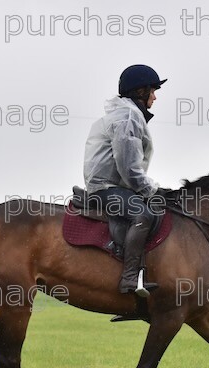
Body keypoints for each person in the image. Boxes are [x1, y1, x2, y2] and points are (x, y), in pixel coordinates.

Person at [83, 64, 167, 297]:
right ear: (140, 92)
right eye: (153, 91)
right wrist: (151, 189)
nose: (155, 97)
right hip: (106, 188)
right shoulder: (127, 117)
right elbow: (128, 167)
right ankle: (130, 278)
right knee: (143, 214)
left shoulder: (128, 115)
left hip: (116, 186)